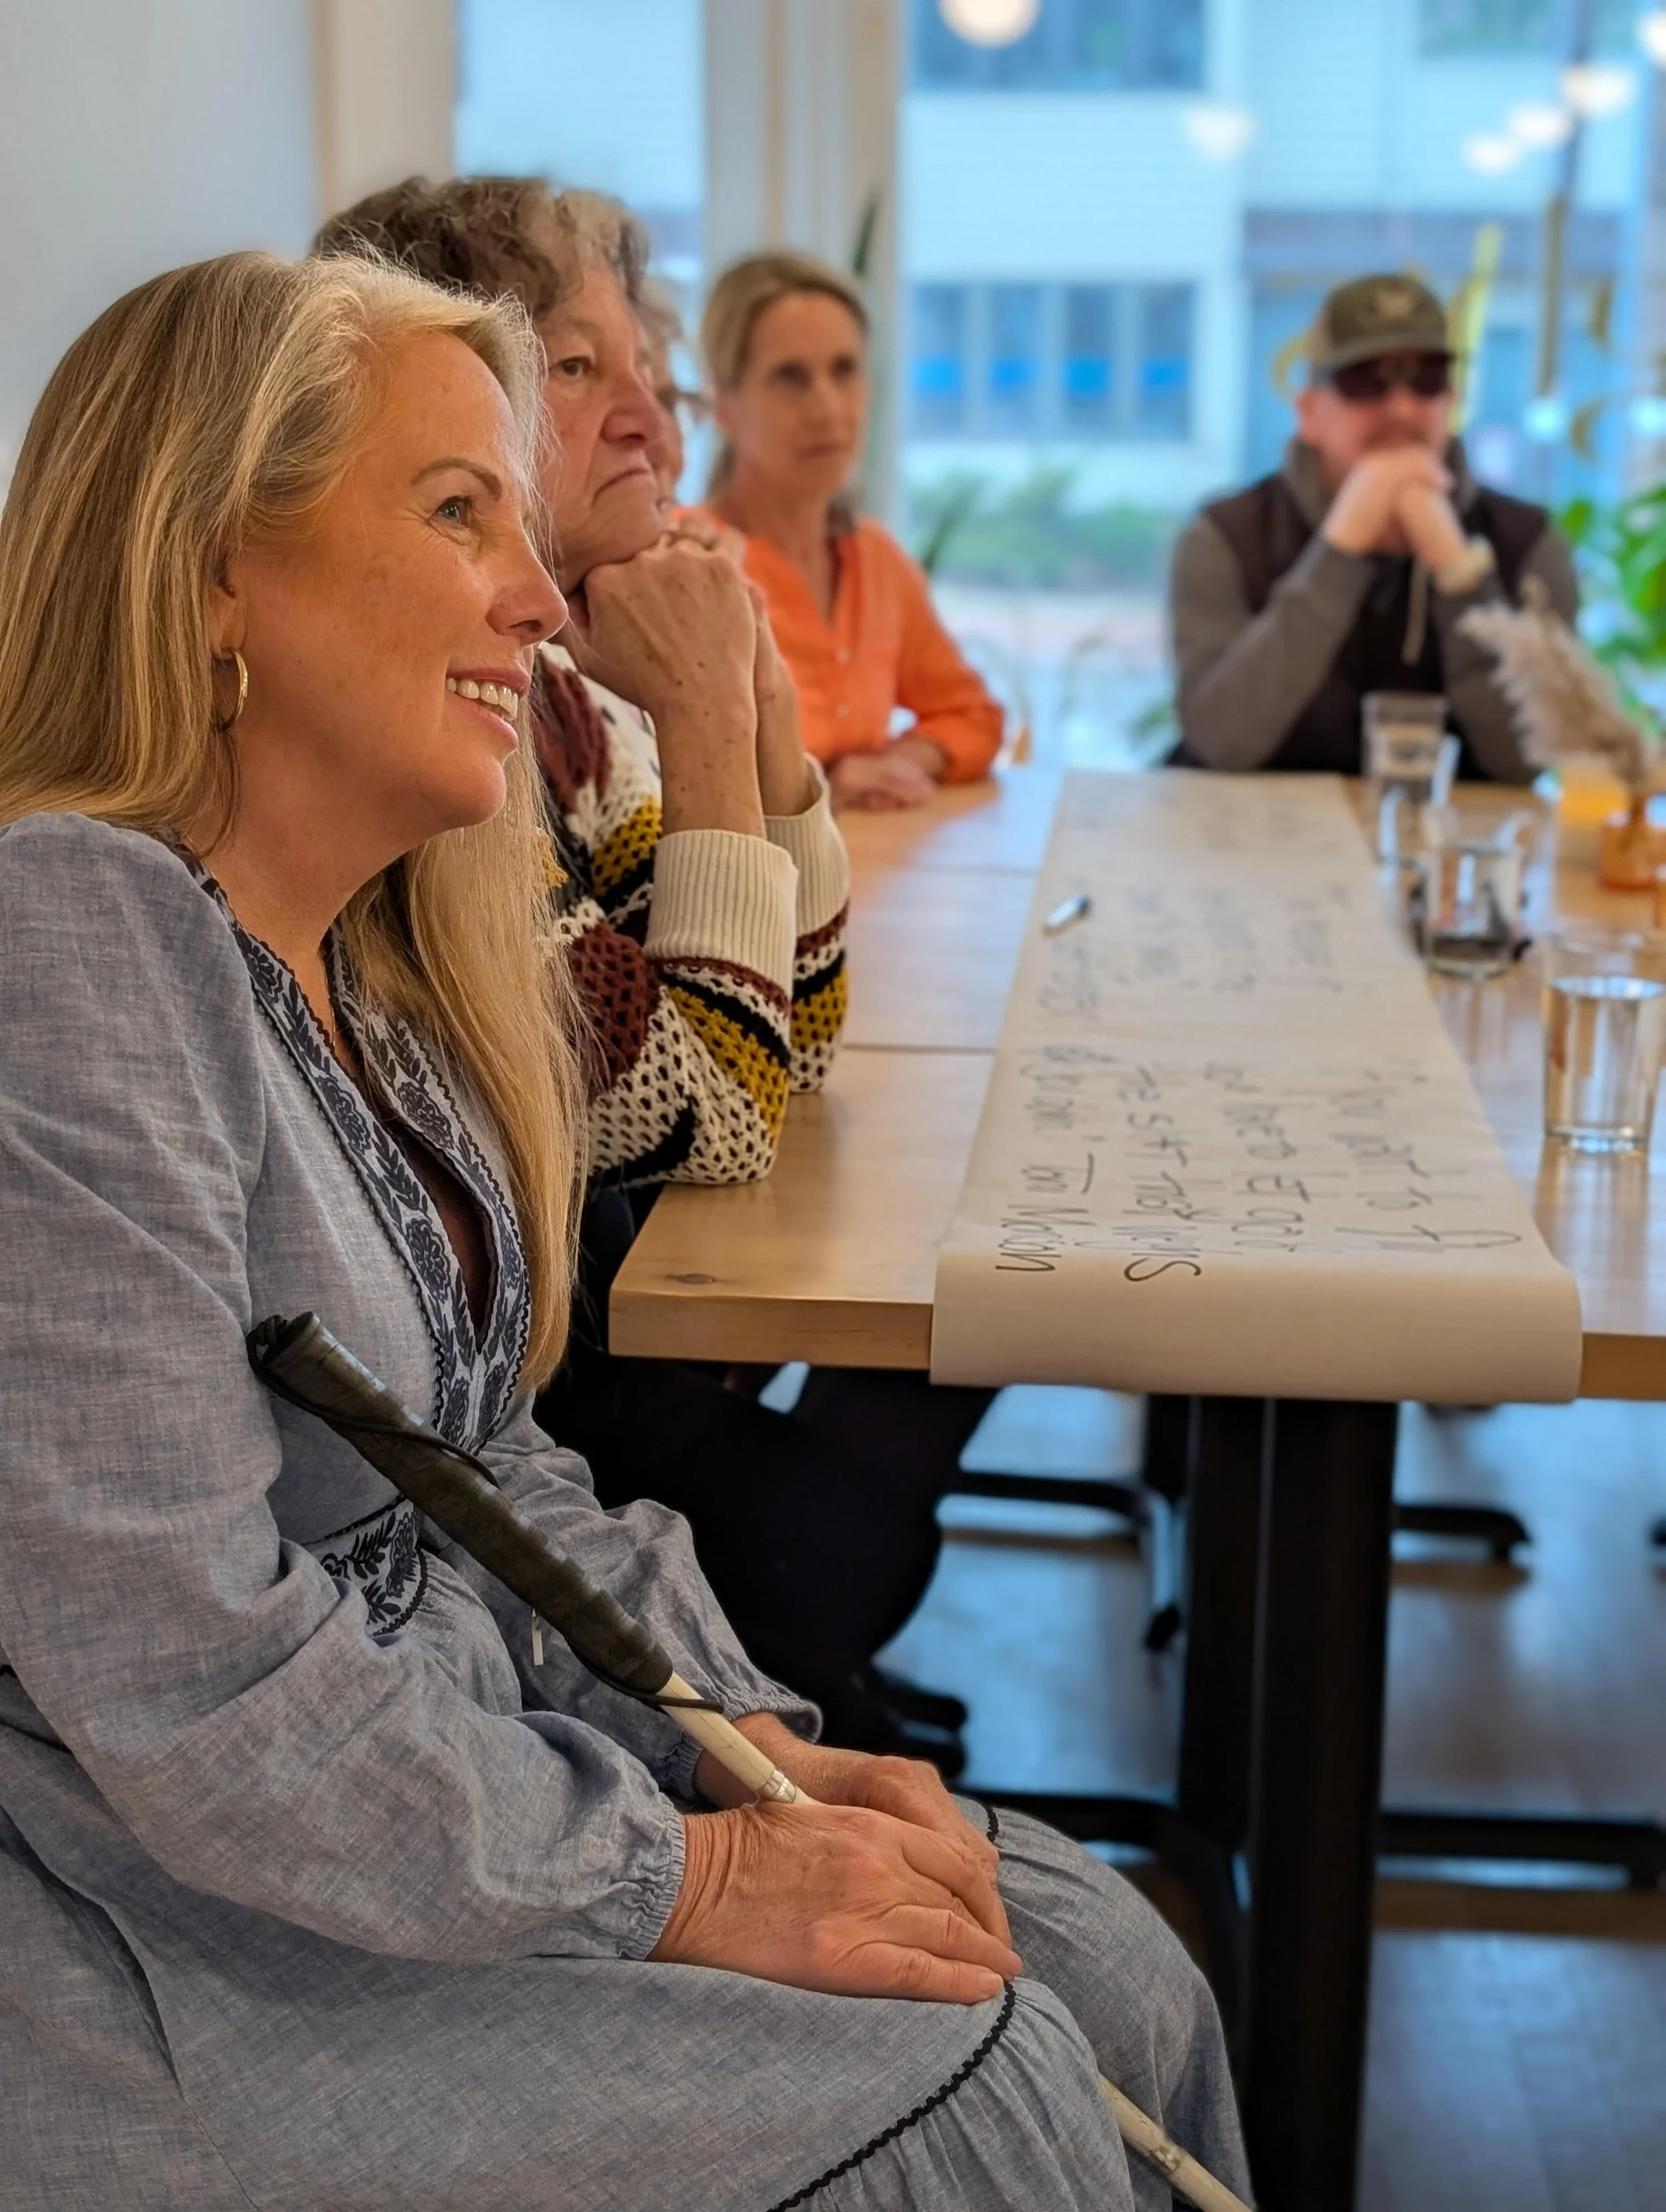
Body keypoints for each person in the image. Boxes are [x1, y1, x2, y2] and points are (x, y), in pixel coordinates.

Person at [0, 244, 1250, 2212]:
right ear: (212, 560)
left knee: (1107, 1958)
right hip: (158, 1922)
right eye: (456, 506)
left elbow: (493, 1467)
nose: (533, 587)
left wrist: (735, 1734)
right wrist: (683, 1862)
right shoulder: (72, 930)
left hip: (435, 1786)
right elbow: (182, 1674)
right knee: (987, 2078)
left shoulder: (388, 966)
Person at [315, 179, 990, 1768]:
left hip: (587, 1395)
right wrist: (707, 732)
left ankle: (806, 1682)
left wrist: (752, 728)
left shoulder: (557, 697)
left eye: (652, 371)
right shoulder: (441, 745)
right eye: (573, 368)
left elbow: (792, 1030)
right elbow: (717, 1109)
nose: (648, 423)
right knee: (888, 1465)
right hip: (533, 1455)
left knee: (958, 1345)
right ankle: (786, 1692)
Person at [1169, 270, 1579, 778]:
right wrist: (1337, 554)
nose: (1400, 408)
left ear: (1450, 403)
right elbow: (1219, 742)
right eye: (1365, 382)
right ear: (1309, 412)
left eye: (1427, 380)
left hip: (1447, 844)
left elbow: (1531, 762)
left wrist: (1459, 574)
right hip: (1253, 839)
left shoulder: (1525, 541)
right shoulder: (1228, 536)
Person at [700, 249, 1005, 812]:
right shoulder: (689, 563)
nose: (829, 408)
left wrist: (900, 762)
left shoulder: (876, 559)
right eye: (790, 377)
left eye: (845, 371)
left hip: (874, 875)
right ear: (724, 405)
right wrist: (818, 795)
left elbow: (974, 715)